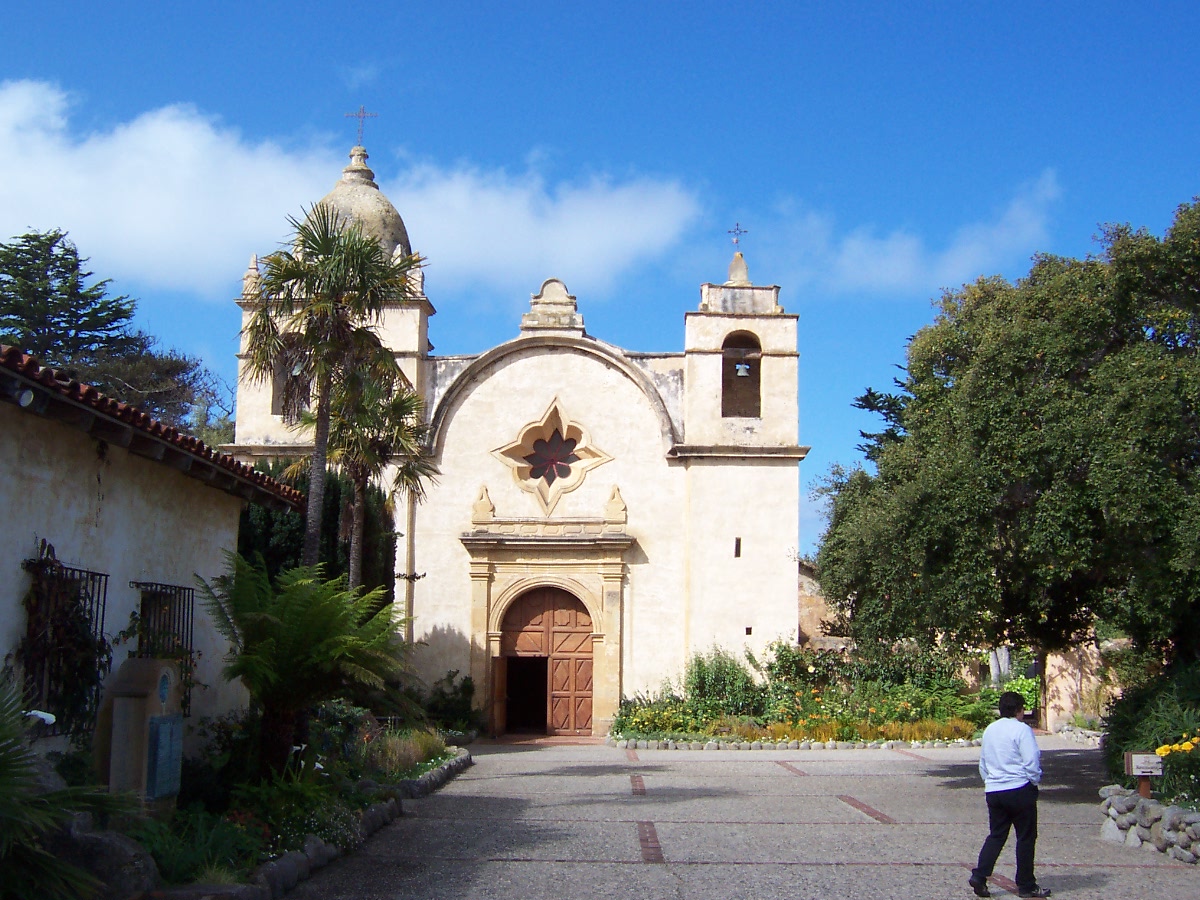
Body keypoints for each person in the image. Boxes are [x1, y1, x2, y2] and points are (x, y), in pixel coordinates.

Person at [969, 691, 1050, 898]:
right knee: (1025, 837)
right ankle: (1026, 884)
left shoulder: (990, 730)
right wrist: (1034, 780)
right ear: (1018, 710)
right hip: (1019, 788)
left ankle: (980, 875)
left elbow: (983, 762)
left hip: (995, 790)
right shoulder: (1022, 730)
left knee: (996, 835)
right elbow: (1031, 759)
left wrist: (989, 781)